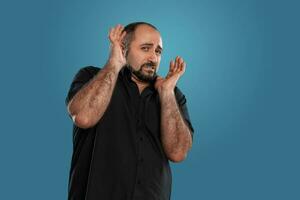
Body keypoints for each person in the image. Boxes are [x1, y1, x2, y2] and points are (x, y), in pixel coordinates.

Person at [65, 22, 195, 200]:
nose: (153, 58)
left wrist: (166, 93)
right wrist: (114, 63)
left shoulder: (172, 95)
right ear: (123, 48)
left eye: (158, 51)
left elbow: (178, 153)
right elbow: (82, 117)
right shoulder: (91, 76)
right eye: (145, 48)